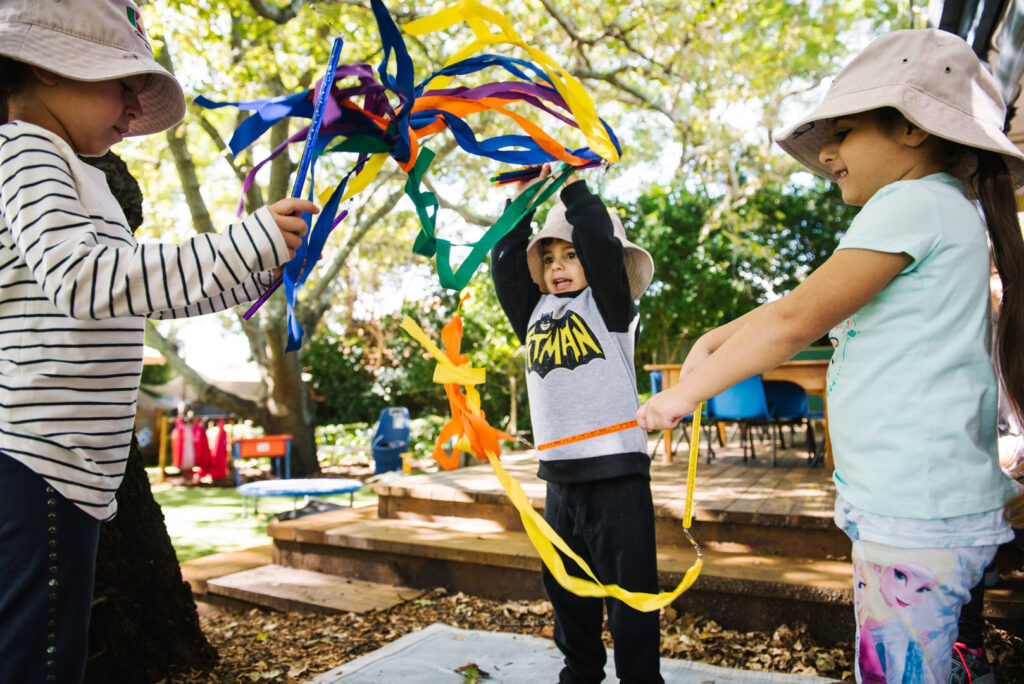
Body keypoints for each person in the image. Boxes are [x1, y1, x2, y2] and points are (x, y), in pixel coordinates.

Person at [636, 28, 1024, 684]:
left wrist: (682, 394)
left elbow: (796, 319)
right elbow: (804, 301)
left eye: (842, 132)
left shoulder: (910, 202)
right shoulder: (942, 209)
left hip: (914, 518)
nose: (831, 152)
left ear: (911, 130)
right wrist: (716, 339)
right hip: (927, 512)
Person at [0, 1, 316, 681]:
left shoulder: (72, 172)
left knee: (49, 654)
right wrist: (246, 241)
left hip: (67, 468)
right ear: (50, 69)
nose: (131, 103)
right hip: (37, 458)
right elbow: (85, 280)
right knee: (38, 664)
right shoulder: (24, 150)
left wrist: (256, 262)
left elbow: (133, 293)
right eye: (121, 80)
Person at [491, 163, 660, 683]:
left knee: (631, 597)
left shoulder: (611, 308)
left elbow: (602, 248)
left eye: (571, 255)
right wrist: (519, 203)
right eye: (549, 258)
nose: (559, 266)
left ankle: (639, 679)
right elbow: (503, 266)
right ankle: (581, 674)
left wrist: (573, 188)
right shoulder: (533, 311)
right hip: (560, 481)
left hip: (617, 478)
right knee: (567, 594)